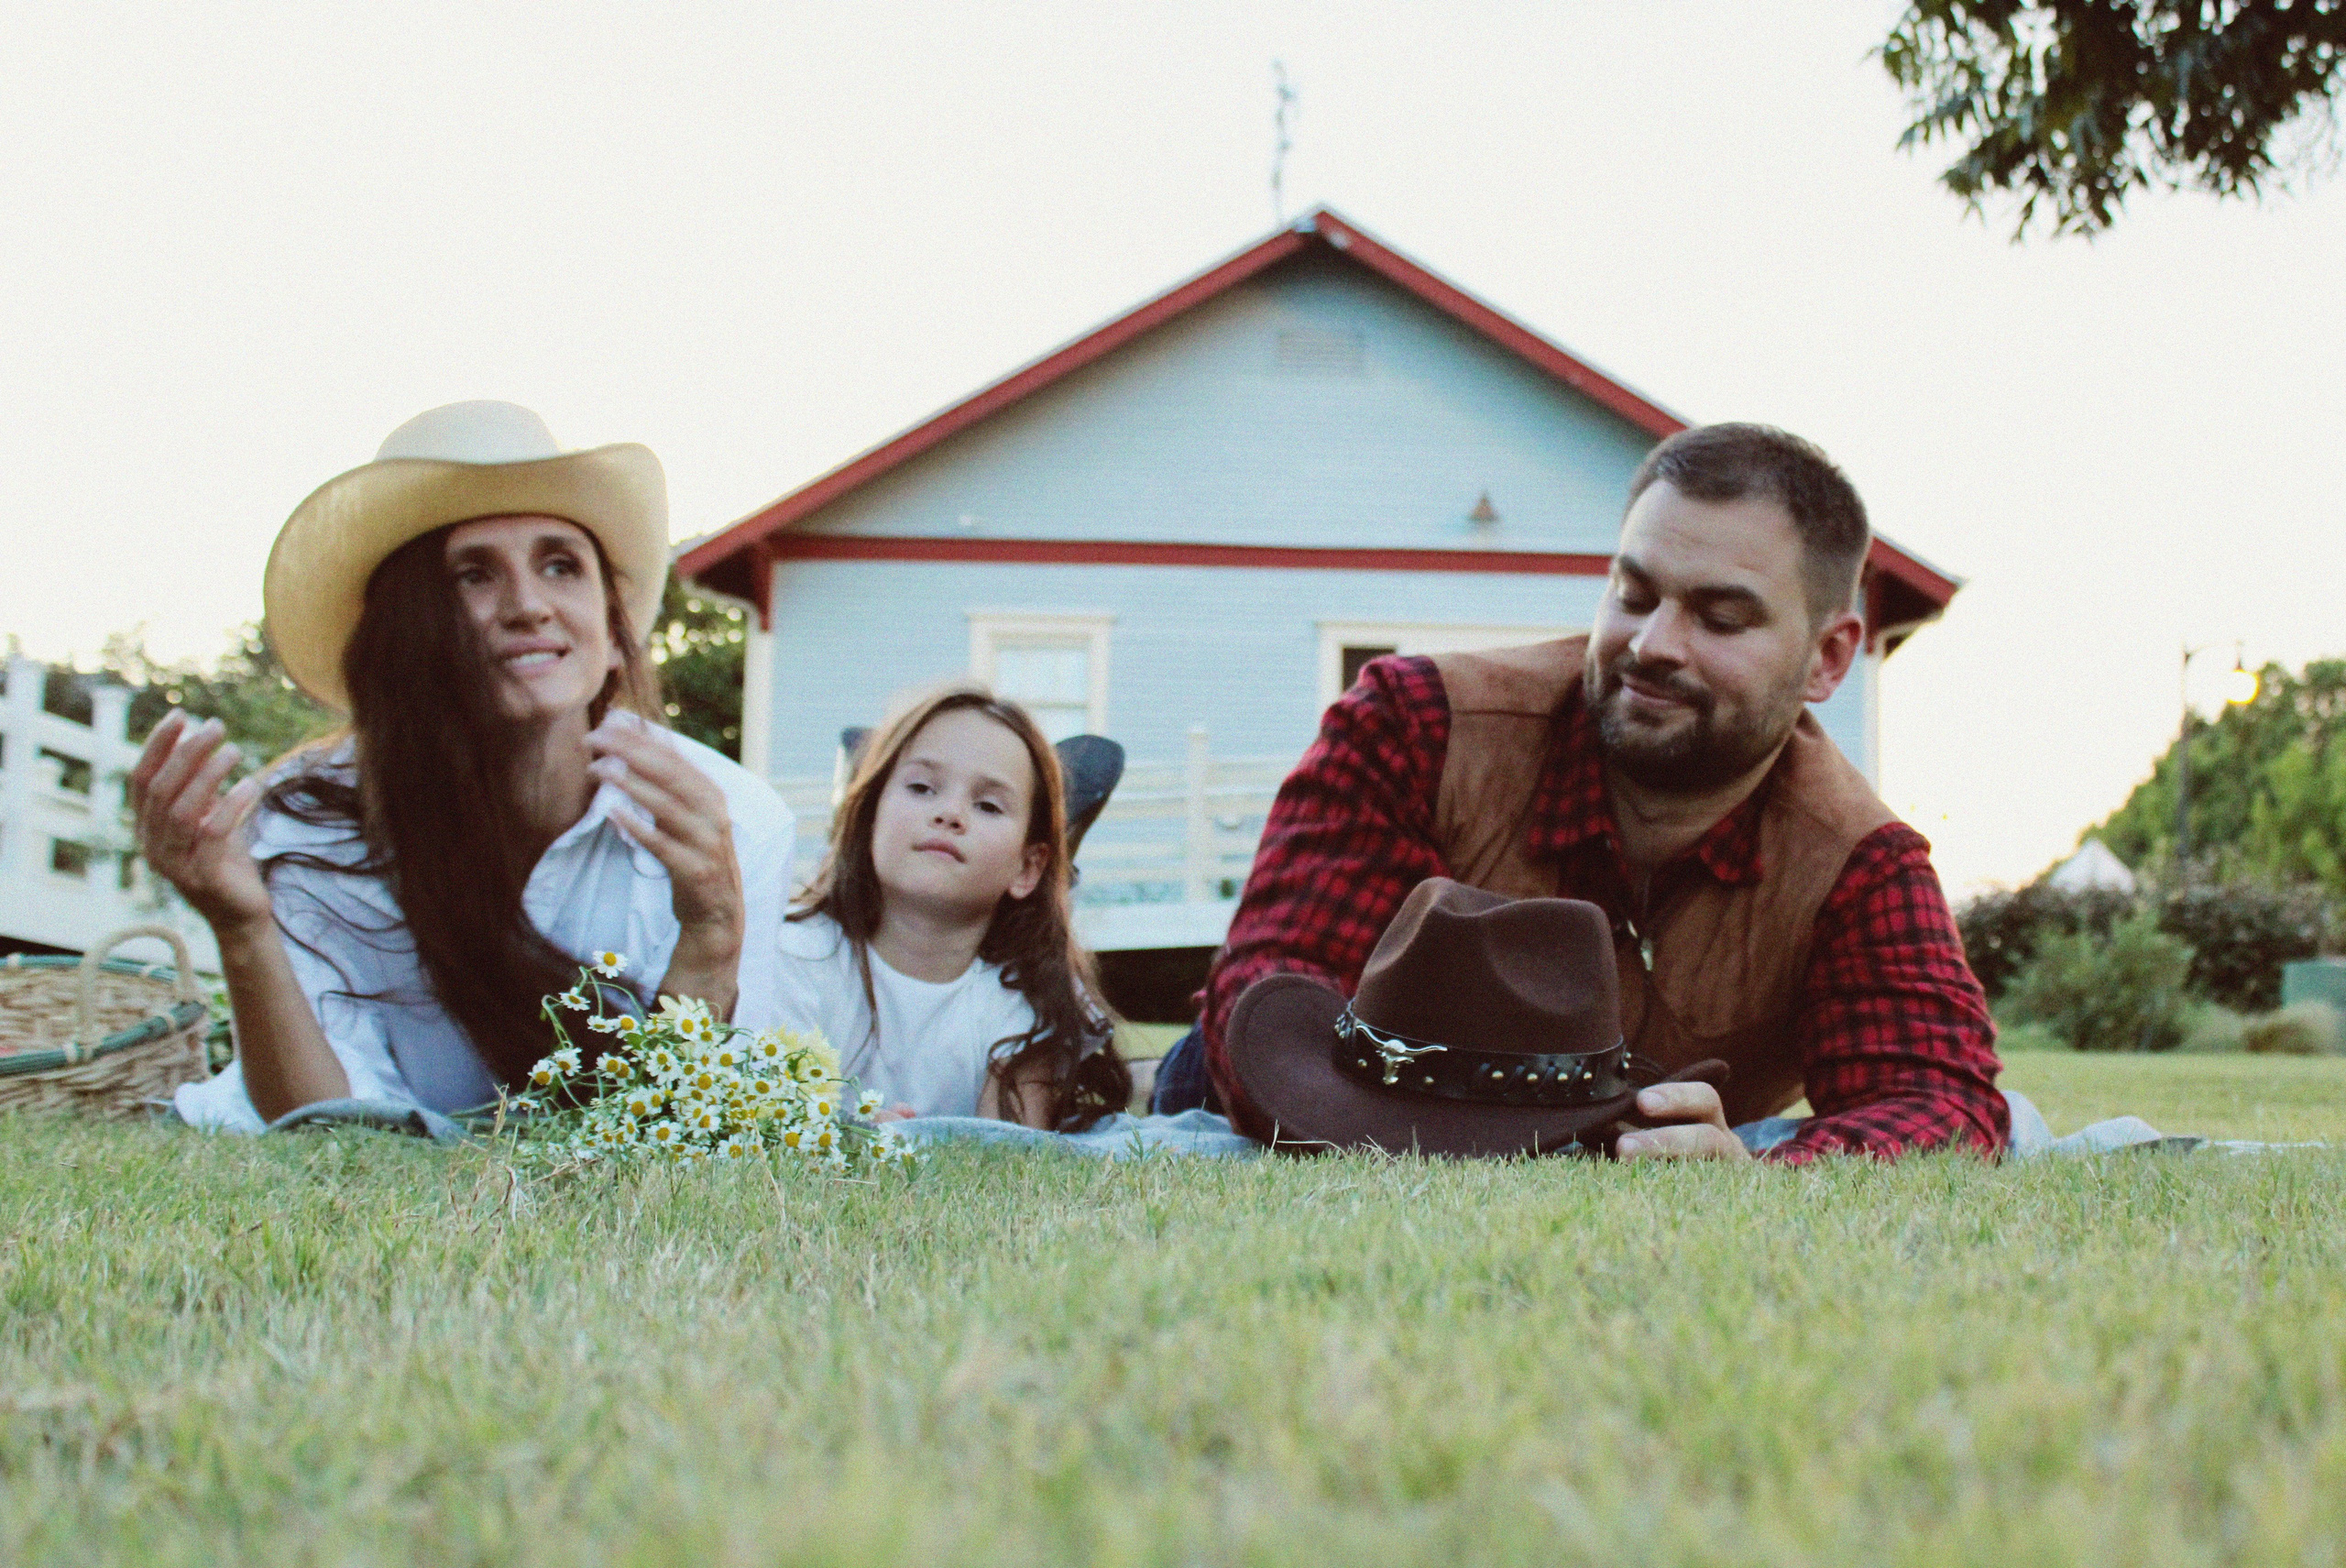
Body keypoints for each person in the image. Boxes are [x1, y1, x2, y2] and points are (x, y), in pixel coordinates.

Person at [1154, 422, 2007, 1164]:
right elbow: (1274, 994)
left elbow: (1946, 1103)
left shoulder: (1859, 863)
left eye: (1720, 618)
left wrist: (1758, 1171)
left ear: (1828, 658)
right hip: (1306, 1098)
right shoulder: (1415, 725)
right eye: (1633, 594)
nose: (1652, 645)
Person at [139, 400, 793, 1132]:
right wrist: (243, 928)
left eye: (560, 565)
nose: (529, 605)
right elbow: (326, 1131)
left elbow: (684, 1142)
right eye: (473, 576)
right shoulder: (307, 819)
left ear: (613, 633)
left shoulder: (736, 818)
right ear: (404, 636)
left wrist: (709, 935)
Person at [775, 687, 1129, 1129]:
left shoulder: (1027, 998)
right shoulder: (796, 956)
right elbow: (766, 1127)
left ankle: (1060, 868)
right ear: (869, 821)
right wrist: (851, 1137)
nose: (949, 813)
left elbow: (1009, 1157)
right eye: (922, 787)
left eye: (987, 805)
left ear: (1027, 868)